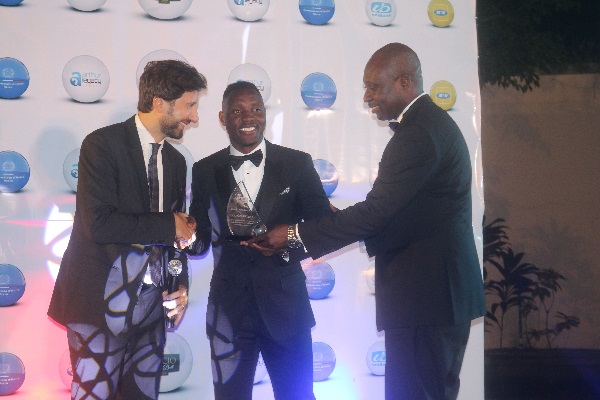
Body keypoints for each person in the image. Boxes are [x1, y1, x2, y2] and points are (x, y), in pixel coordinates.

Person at [247, 43, 486, 400]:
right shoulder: (428, 125)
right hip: (435, 297)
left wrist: (295, 235)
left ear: (404, 82)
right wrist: (337, 219)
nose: (366, 96)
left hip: (428, 298)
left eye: (374, 86)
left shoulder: (418, 134)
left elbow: (375, 214)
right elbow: (401, 214)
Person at [47, 59, 206, 400]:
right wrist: (169, 224)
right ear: (159, 102)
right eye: (189, 105)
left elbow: (174, 242)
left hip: (151, 310)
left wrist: (179, 285)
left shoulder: (177, 163)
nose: (194, 117)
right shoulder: (101, 145)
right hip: (95, 305)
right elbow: (98, 223)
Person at [188, 81, 331, 400]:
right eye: (237, 111)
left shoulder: (297, 164)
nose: (248, 118)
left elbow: (324, 228)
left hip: (287, 309)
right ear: (223, 118)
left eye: (256, 109)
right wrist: (174, 230)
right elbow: (198, 242)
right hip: (229, 311)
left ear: (265, 115)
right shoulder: (204, 170)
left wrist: (290, 238)